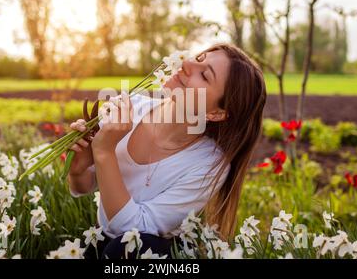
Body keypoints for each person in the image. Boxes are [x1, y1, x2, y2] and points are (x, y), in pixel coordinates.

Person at [67, 43, 267, 259]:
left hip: (148, 254)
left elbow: (130, 233)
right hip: (102, 240)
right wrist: (79, 171)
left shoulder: (208, 164)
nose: (188, 63)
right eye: (199, 58)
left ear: (217, 113)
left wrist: (104, 152)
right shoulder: (131, 108)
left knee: (127, 249)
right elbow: (85, 187)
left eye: (205, 76)